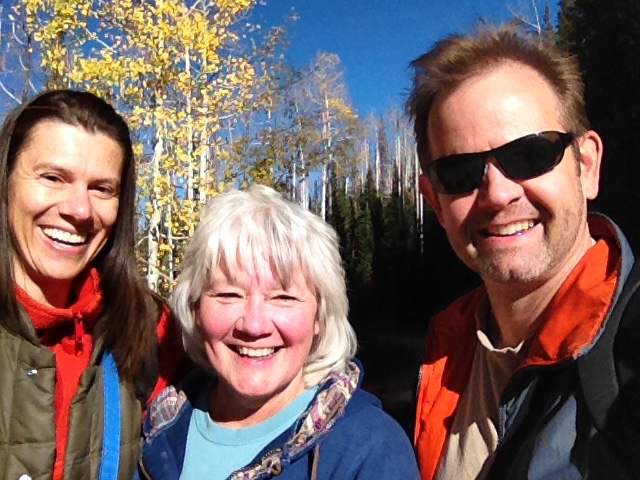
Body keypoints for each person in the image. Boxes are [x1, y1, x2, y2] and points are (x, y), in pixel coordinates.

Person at [408, 23, 640, 479]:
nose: (497, 194)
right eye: (460, 172)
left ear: (586, 166)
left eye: (530, 155)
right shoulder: (443, 353)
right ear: (434, 201)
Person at [136, 184, 420, 479]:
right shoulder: (153, 433)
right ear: (195, 309)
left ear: (319, 317)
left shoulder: (368, 449)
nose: (254, 325)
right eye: (229, 295)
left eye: (283, 297)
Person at [0, 89, 185, 480]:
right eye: (52, 178)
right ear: (6, 183)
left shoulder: (148, 328)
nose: (80, 210)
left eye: (102, 188)